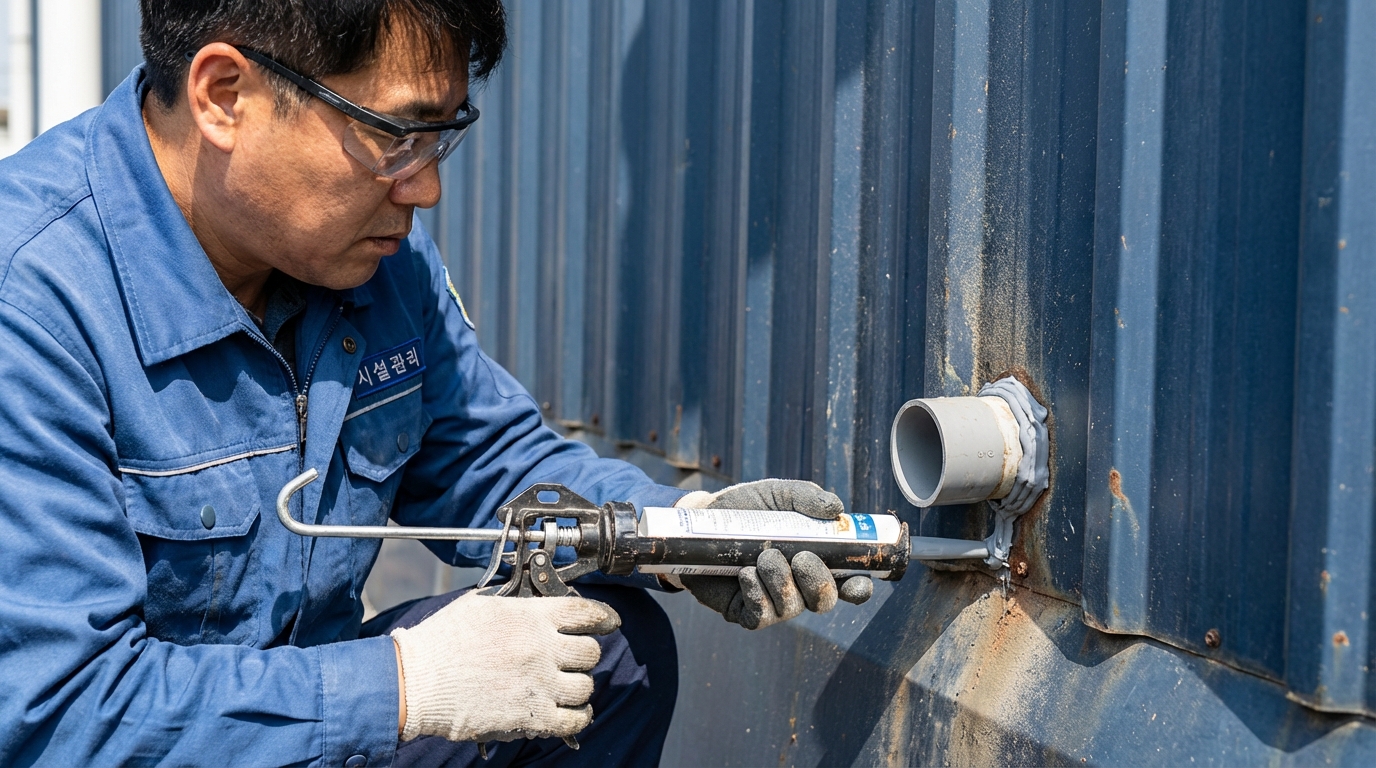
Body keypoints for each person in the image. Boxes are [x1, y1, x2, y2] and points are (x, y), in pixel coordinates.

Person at [0, 2, 871, 765]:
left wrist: (673, 535)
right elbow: (53, 719)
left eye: (442, 134)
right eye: (394, 136)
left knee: (605, 657)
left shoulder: (363, 257)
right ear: (226, 95)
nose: (426, 187)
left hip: (297, 728)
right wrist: (404, 688)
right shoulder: (33, 303)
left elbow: (483, 458)